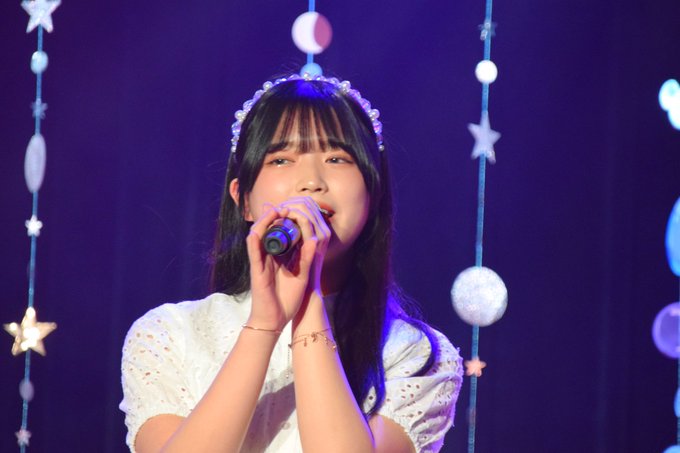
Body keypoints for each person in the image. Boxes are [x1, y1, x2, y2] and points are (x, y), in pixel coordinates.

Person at [120, 74, 463, 453]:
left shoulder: (417, 355)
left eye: (336, 159)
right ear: (243, 199)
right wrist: (264, 325)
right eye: (281, 159)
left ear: (373, 193)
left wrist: (307, 305)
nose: (311, 182)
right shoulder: (169, 334)